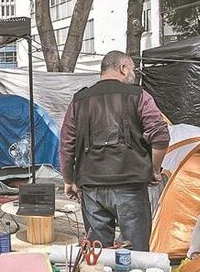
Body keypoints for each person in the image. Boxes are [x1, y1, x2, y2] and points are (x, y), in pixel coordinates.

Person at [60, 50, 169, 251]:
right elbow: (160, 136)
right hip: (131, 184)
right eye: (133, 69)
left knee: (98, 254)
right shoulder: (139, 96)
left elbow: (67, 144)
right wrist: (154, 170)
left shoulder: (79, 101)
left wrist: (69, 180)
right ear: (123, 68)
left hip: (91, 185)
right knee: (135, 253)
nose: (134, 74)